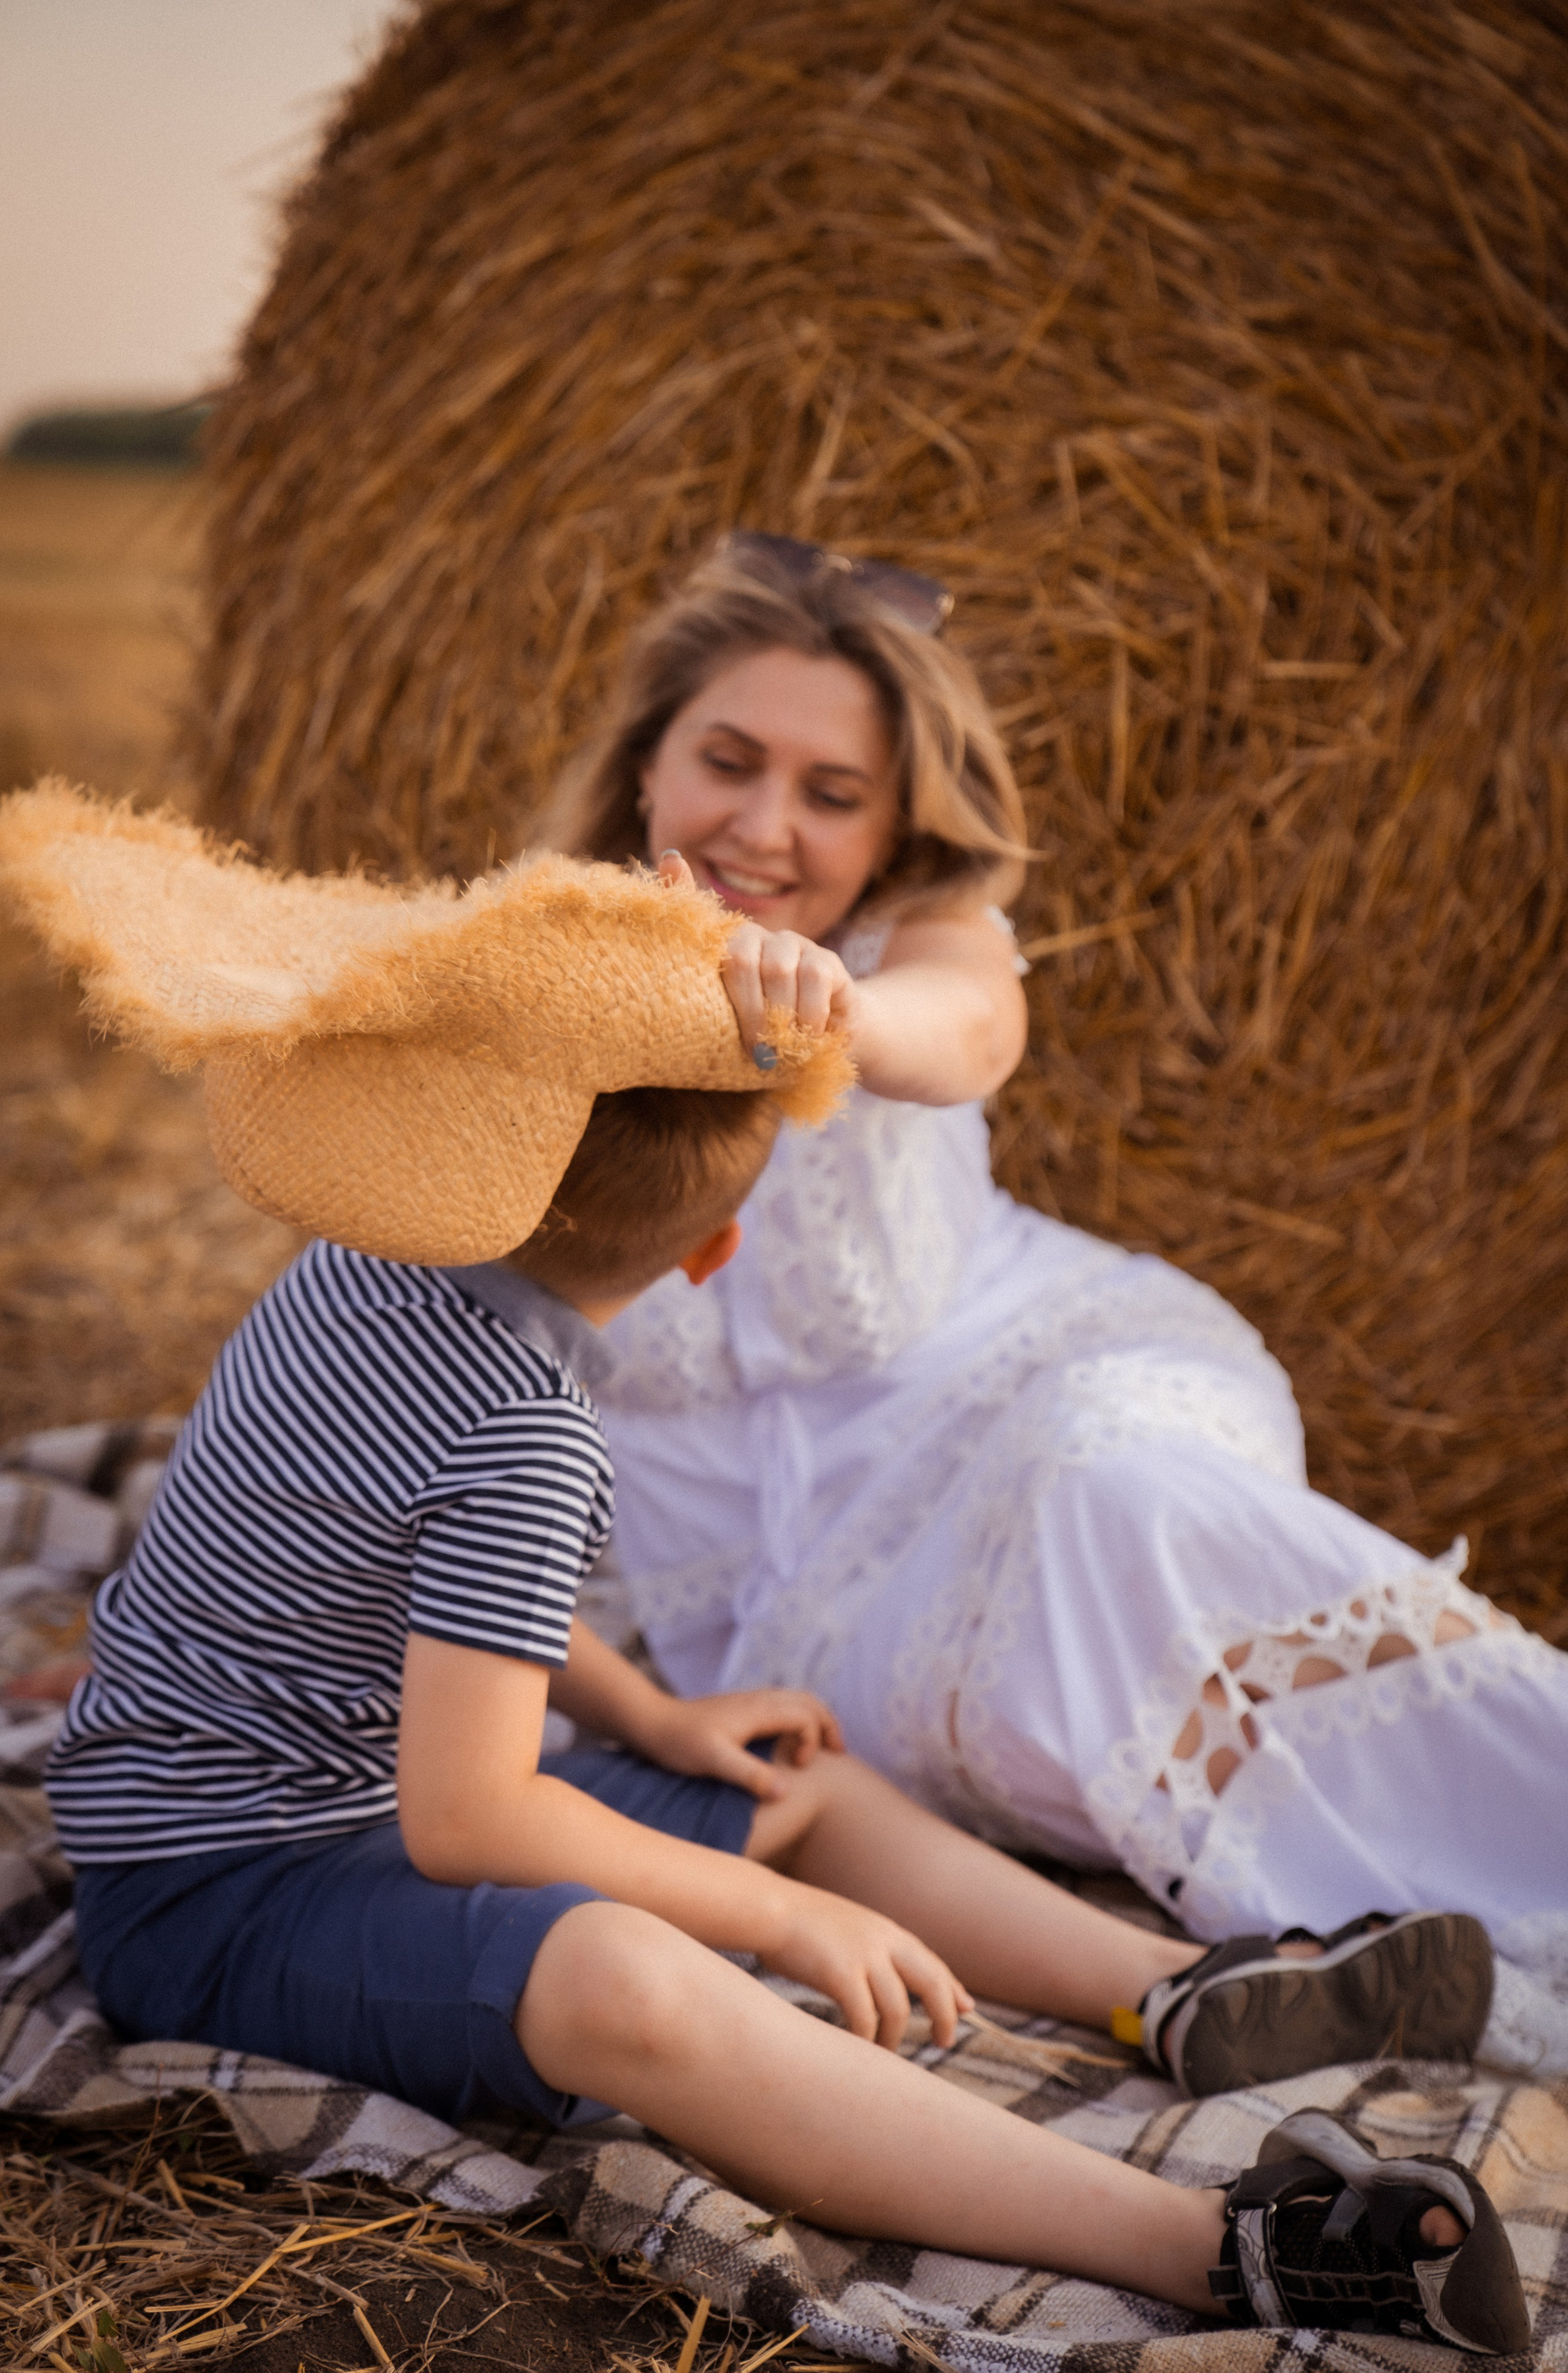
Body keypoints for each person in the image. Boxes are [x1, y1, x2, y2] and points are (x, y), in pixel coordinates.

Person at [39, 1071, 1524, 2353]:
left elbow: (431, 1576)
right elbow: (466, 1818)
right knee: (626, 1971)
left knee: (792, 1779)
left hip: (338, 1800)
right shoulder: (527, 1432)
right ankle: (1209, 2245)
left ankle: (1173, 1990)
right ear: (716, 1252)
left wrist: (656, 1722)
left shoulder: (367, 1249)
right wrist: (776, 1923)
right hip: (209, 1893)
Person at [540, 534, 1568, 2074]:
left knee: (1115, 1496)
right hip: (791, 1616)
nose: (764, 827)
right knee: (1046, 1663)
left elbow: (961, 1033)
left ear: (890, 835)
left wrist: (822, 1008)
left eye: (832, 794)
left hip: (1051, 1377)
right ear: (645, 769)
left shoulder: (917, 947)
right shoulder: (530, 983)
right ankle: (1378, 1957)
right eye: (727, 764)